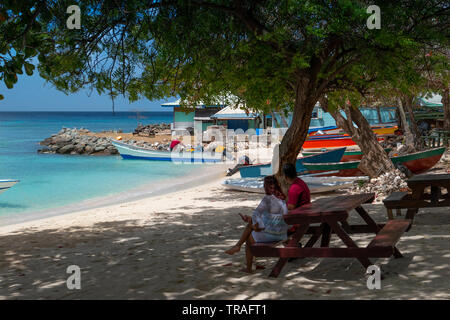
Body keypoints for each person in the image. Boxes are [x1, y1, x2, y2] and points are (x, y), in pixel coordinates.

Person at [225, 175, 289, 273]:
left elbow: (259, 225)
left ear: (265, 186)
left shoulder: (267, 199)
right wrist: (251, 221)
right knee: (251, 227)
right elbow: (271, 218)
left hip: (273, 235)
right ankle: (238, 246)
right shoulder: (282, 198)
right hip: (282, 233)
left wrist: (251, 222)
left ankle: (248, 267)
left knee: (249, 238)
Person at [282, 163, 311, 236]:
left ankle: (291, 245)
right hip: (305, 216)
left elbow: (291, 207)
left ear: (286, 176)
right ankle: (290, 245)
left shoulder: (294, 188)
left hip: (299, 220)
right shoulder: (300, 182)